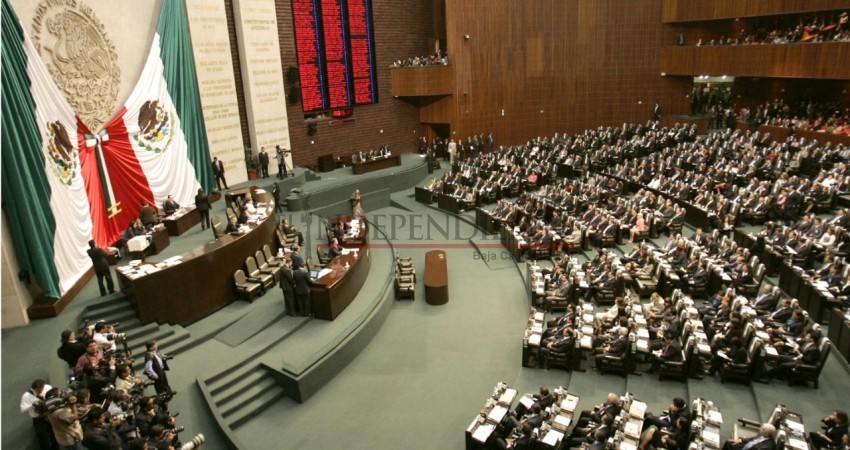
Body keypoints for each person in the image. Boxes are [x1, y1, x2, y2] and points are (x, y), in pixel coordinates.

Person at [21, 379, 57, 450]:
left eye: (41, 389)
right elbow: (23, 409)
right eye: (38, 391)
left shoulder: (48, 387)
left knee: (54, 434)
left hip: (49, 415)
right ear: (33, 389)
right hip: (38, 419)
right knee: (43, 438)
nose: (40, 392)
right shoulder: (27, 396)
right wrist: (32, 405)